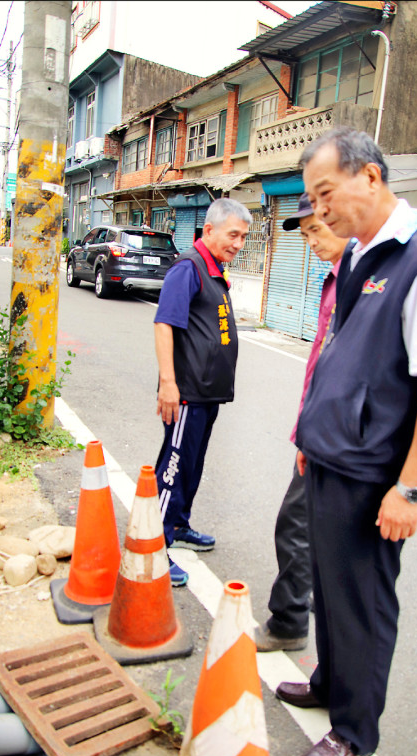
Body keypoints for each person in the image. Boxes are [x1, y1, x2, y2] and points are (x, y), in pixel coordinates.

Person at [275, 127, 417, 756]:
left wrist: (408, 489)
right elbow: (341, 356)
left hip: (372, 473)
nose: (319, 210)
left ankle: (355, 728)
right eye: (311, 198)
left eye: (325, 193)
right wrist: (310, 436)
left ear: (371, 178)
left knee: (361, 600)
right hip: (330, 455)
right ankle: (330, 680)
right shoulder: (360, 255)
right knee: (329, 585)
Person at [254, 193, 349, 652]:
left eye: (316, 229)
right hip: (321, 432)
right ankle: (306, 612)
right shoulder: (334, 279)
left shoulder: (361, 283)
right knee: (315, 530)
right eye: (306, 232)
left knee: (295, 526)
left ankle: (289, 623)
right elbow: (320, 364)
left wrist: (315, 437)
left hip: (337, 439)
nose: (310, 241)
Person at [153, 198, 251, 587]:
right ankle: (154, 545)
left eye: (244, 237)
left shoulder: (215, 270)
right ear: (208, 230)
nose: (239, 243)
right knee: (173, 468)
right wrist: (168, 384)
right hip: (187, 394)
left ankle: (178, 525)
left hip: (207, 395)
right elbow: (164, 324)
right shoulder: (187, 269)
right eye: (233, 235)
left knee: (192, 467)